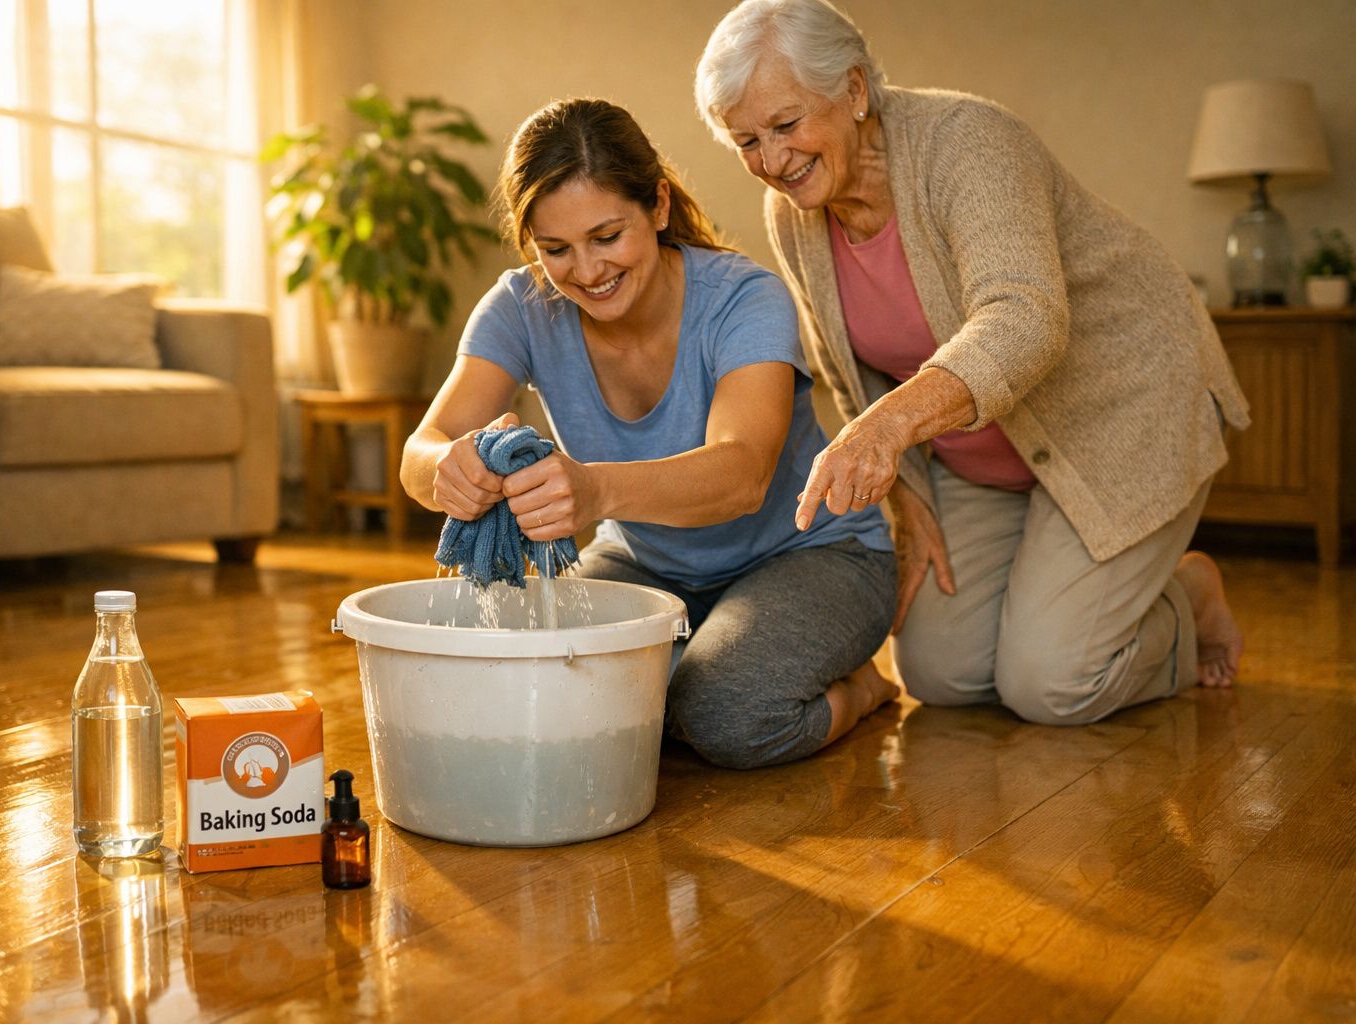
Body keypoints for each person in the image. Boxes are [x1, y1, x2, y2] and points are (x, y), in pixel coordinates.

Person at [694, 0, 1249, 726]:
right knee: (939, 671)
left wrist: (888, 433)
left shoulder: (969, 143)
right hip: (983, 456)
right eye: (747, 141)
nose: (772, 161)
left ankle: (1188, 598)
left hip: (1120, 414)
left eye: (786, 125)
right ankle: (1065, 598)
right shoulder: (794, 214)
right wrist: (910, 498)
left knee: (1051, 684)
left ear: (855, 91)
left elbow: (1024, 319)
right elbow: (849, 372)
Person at [400, 98, 898, 769]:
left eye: (607, 237)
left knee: (725, 710)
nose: (586, 270)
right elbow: (421, 451)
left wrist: (595, 491)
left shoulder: (744, 299)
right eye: (555, 249)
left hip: (814, 556)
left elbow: (743, 473)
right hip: (650, 564)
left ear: (658, 206)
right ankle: (690, 668)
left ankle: (864, 689)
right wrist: (450, 469)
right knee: (547, 697)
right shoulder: (522, 307)